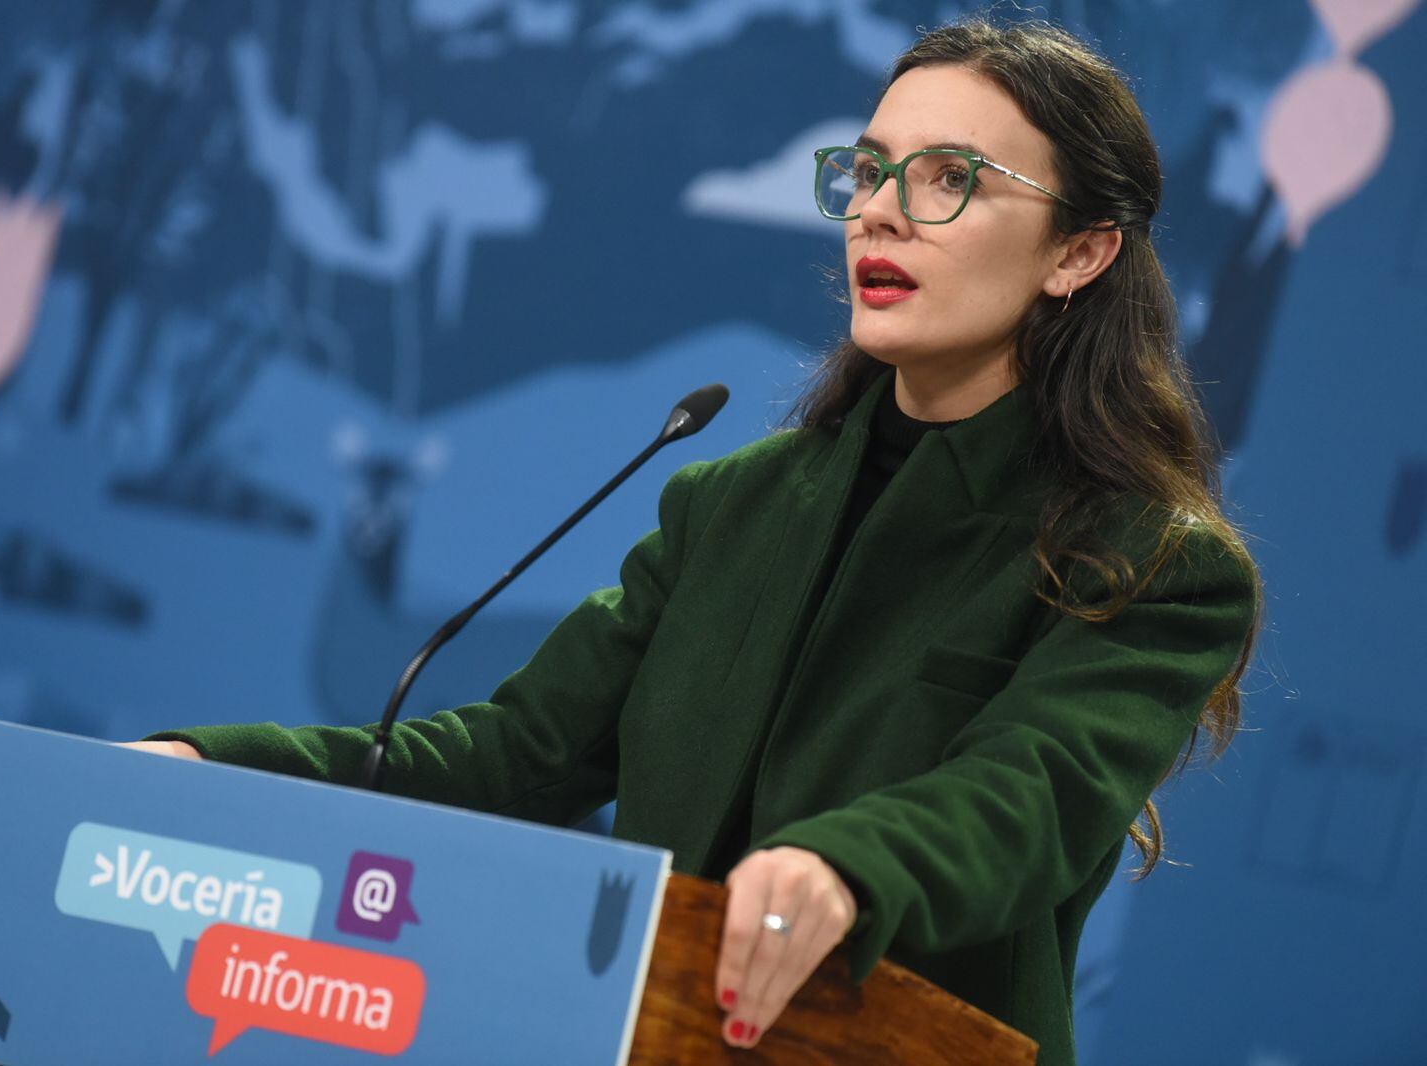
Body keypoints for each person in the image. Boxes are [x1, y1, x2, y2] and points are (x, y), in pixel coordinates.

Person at [127, 14, 1263, 1064]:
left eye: (946, 181)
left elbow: (1026, 793)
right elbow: (512, 759)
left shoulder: (1156, 564)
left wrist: (844, 868)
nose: (876, 209)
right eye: (867, 171)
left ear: (1079, 253)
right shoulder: (726, 502)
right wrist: (214, 770)